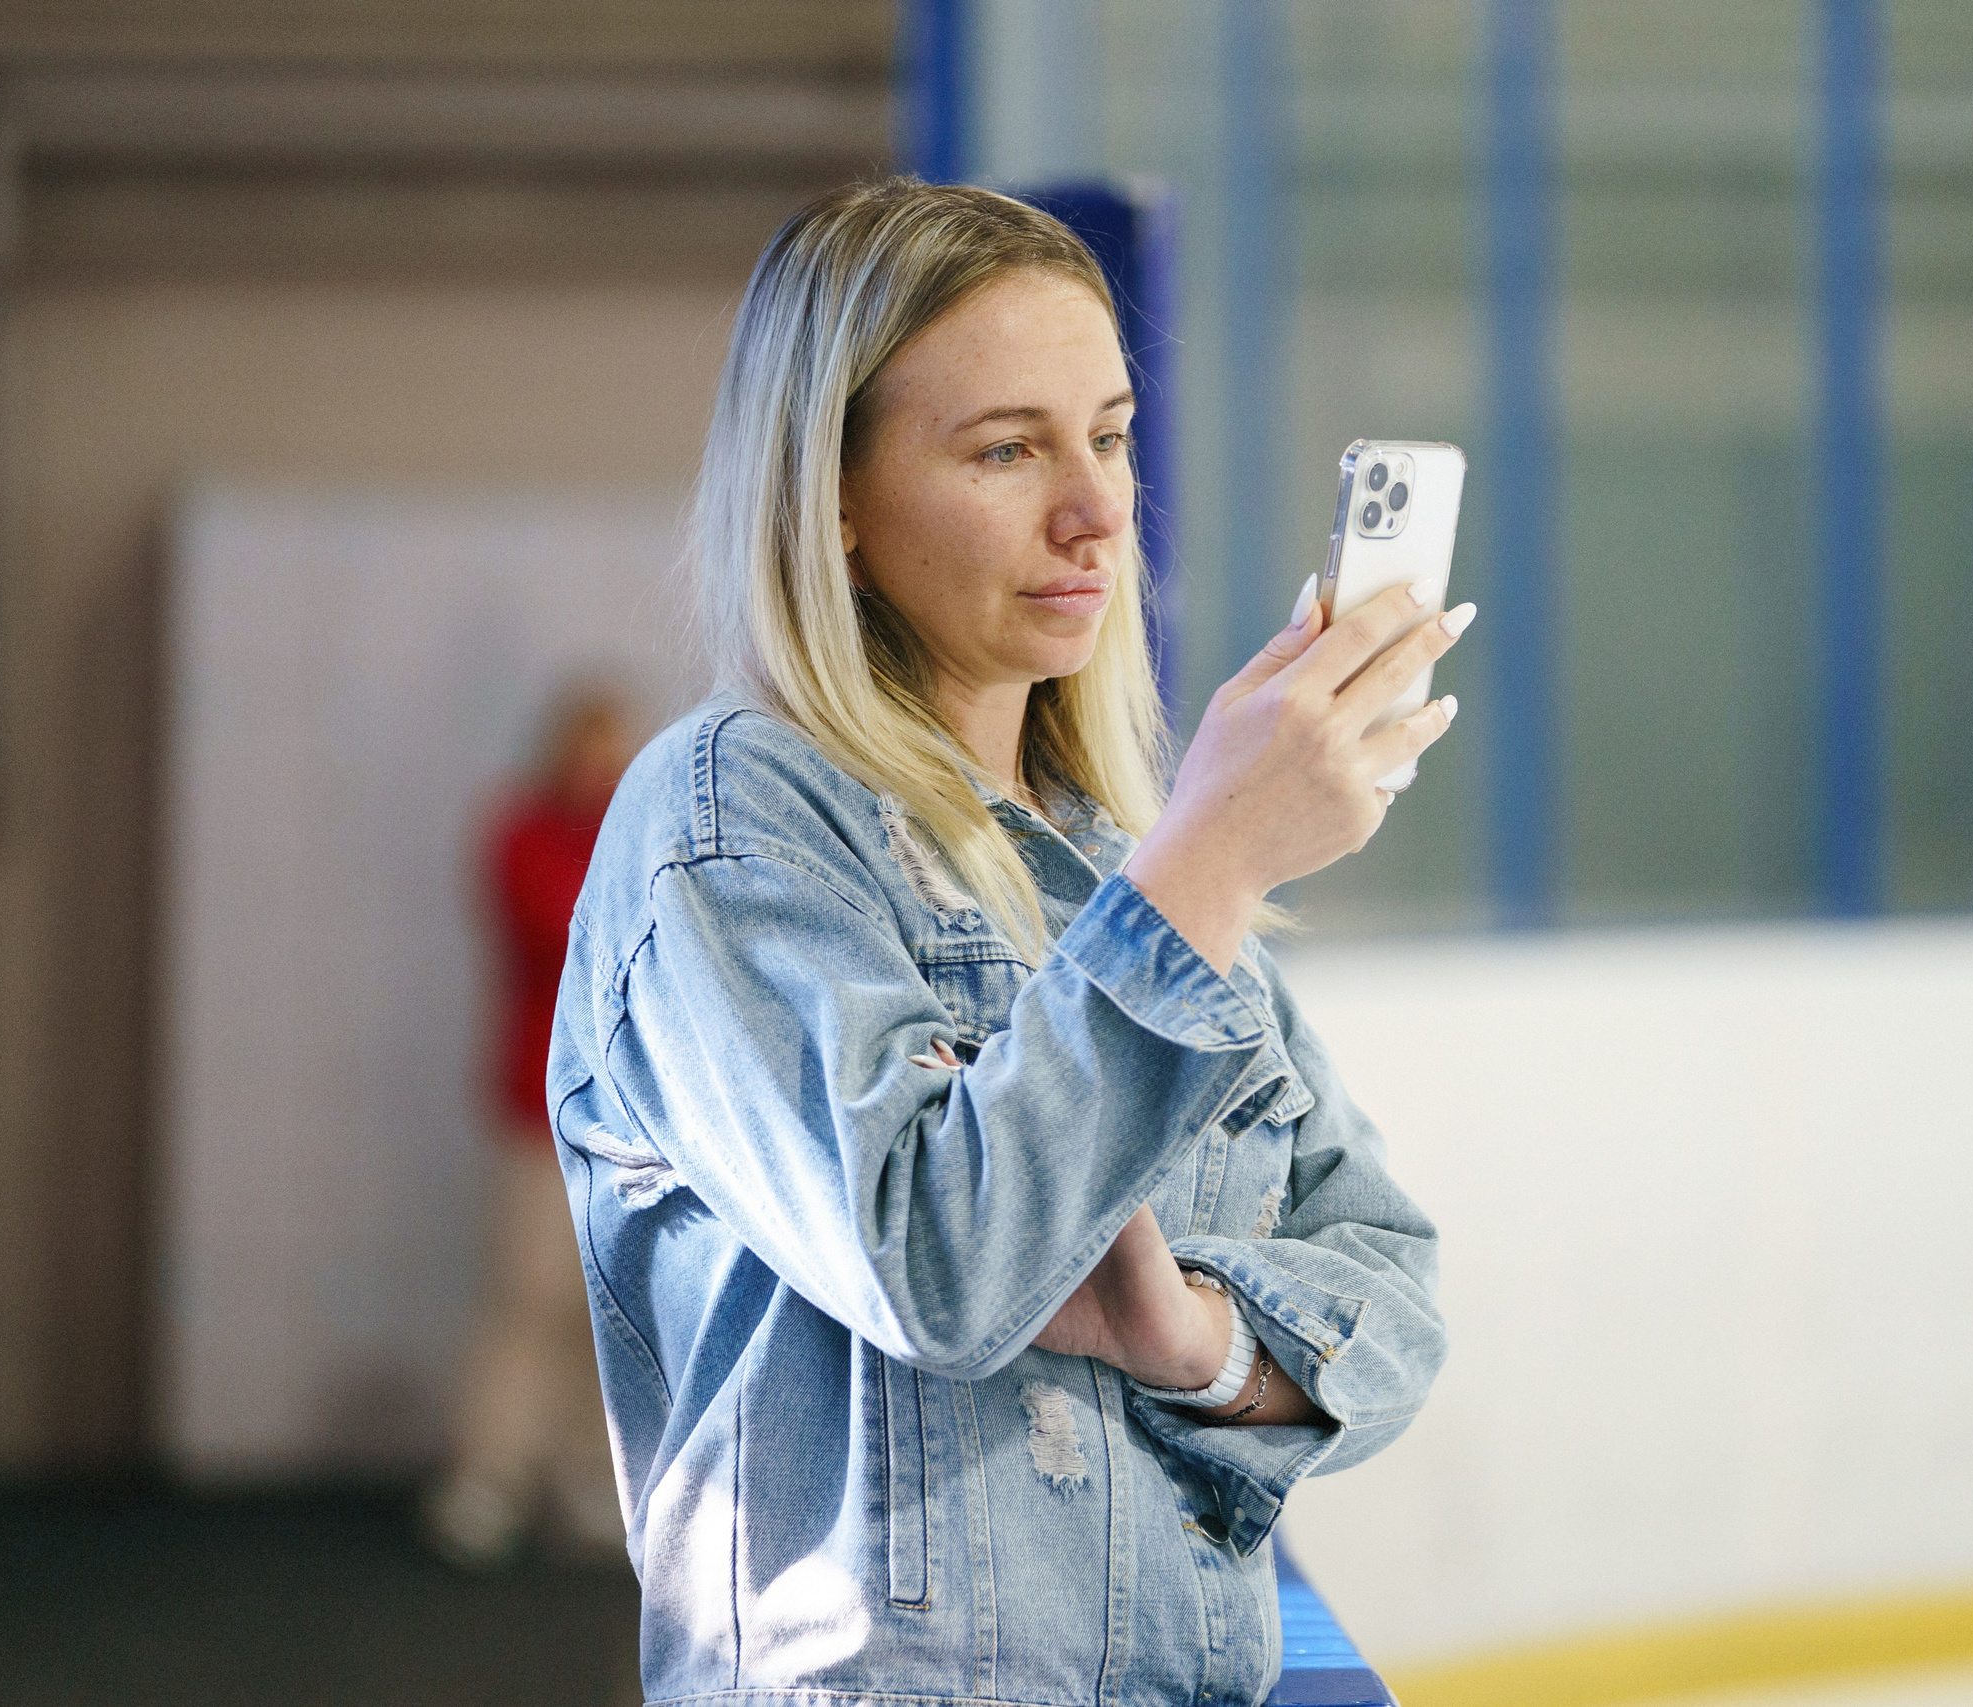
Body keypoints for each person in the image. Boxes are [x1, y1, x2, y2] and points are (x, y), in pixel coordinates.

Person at [549, 179, 1457, 1704]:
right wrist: (1217, 854)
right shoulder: (724, 817)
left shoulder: (1119, 860)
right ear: (831, 499)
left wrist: (1199, 1340)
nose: (1099, 510)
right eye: (1007, 448)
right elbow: (937, 1266)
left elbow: (1394, 1300)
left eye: (1105, 434)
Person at [427, 680, 639, 1566]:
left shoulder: (635, 829)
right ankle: (491, 1471)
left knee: (613, 1307)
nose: (601, 761)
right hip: (536, 1106)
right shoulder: (520, 829)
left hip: (628, 1113)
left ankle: (591, 1475)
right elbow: (566, 928)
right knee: (524, 1298)